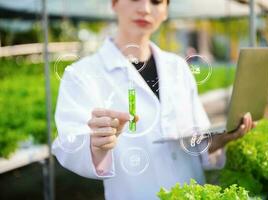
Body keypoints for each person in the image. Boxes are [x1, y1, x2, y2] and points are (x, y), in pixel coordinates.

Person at [52, 0, 256, 199]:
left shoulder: (178, 67)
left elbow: (196, 141)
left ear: (166, 10)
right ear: (114, 3)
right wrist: (95, 145)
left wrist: (223, 137)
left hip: (192, 193)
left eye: (157, 1)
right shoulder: (82, 74)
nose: (145, 8)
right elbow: (69, 145)